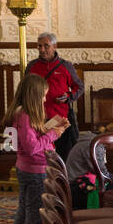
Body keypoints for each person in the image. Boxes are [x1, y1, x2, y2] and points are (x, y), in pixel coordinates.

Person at [4, 73, 65, 224]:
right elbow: (32, 147)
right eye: (43, 95)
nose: (45, 99)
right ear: (34, 95)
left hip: (27, 167)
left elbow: (31, 137)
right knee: (33, 217)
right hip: (34, 170)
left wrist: (52, 127)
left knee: (24, 213)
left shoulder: (22, 113)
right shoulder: (25, 114)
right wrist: (53, 134)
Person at [25, 32, 84, 162]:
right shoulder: (31, 66)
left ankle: (63, 182)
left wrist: (68, 96)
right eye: (39, 46)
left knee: (64, 156)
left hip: (60, 120)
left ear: (55, 46)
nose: (42, 49)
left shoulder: (65, 65)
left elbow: (79, 87)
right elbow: (25, 90)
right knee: (41, 156)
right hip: (38, 120)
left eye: (46, 46)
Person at [65, 119, 113, 209]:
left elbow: (100, 170)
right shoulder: (93, 144)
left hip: (80, 181)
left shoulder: (95, 142)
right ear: (111, 137)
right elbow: (99, 171)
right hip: (77, 187)